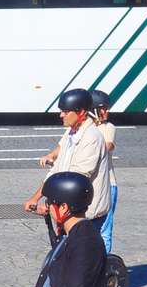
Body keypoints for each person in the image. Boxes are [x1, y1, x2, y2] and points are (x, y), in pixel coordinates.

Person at [26, 88, 113, 226]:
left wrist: (50, 206)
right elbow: (56, 172)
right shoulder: (71, 132)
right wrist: (35, 198)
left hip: (86, 215)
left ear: (82, 112)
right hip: (67, 211)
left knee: (84, 247)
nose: (61, 115)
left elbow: (76, 179)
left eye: (66, 112)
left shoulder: (91, 137)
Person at [91, 89, 120, 255]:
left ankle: (104, 265)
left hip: (108, 185)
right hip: (91, 184)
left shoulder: (108, 127)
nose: (107, 111)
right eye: (103, 108)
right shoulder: (83, 128)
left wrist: (89, 148)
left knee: (104, 228)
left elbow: (108, 145)